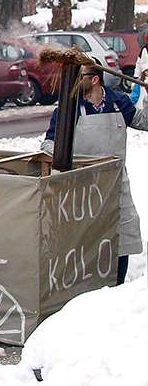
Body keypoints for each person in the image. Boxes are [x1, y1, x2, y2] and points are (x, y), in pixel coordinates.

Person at [41, 66, 148, 285]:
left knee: (120, 242)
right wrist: (64, 158)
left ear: (95, 79)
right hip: (83, 191)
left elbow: (144, 122)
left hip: (117, 187)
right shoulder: (69, 108)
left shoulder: (118, 103)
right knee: (86, 245)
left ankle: (118, 286)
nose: (74, 82)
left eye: (79, 77)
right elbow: (48, 144)